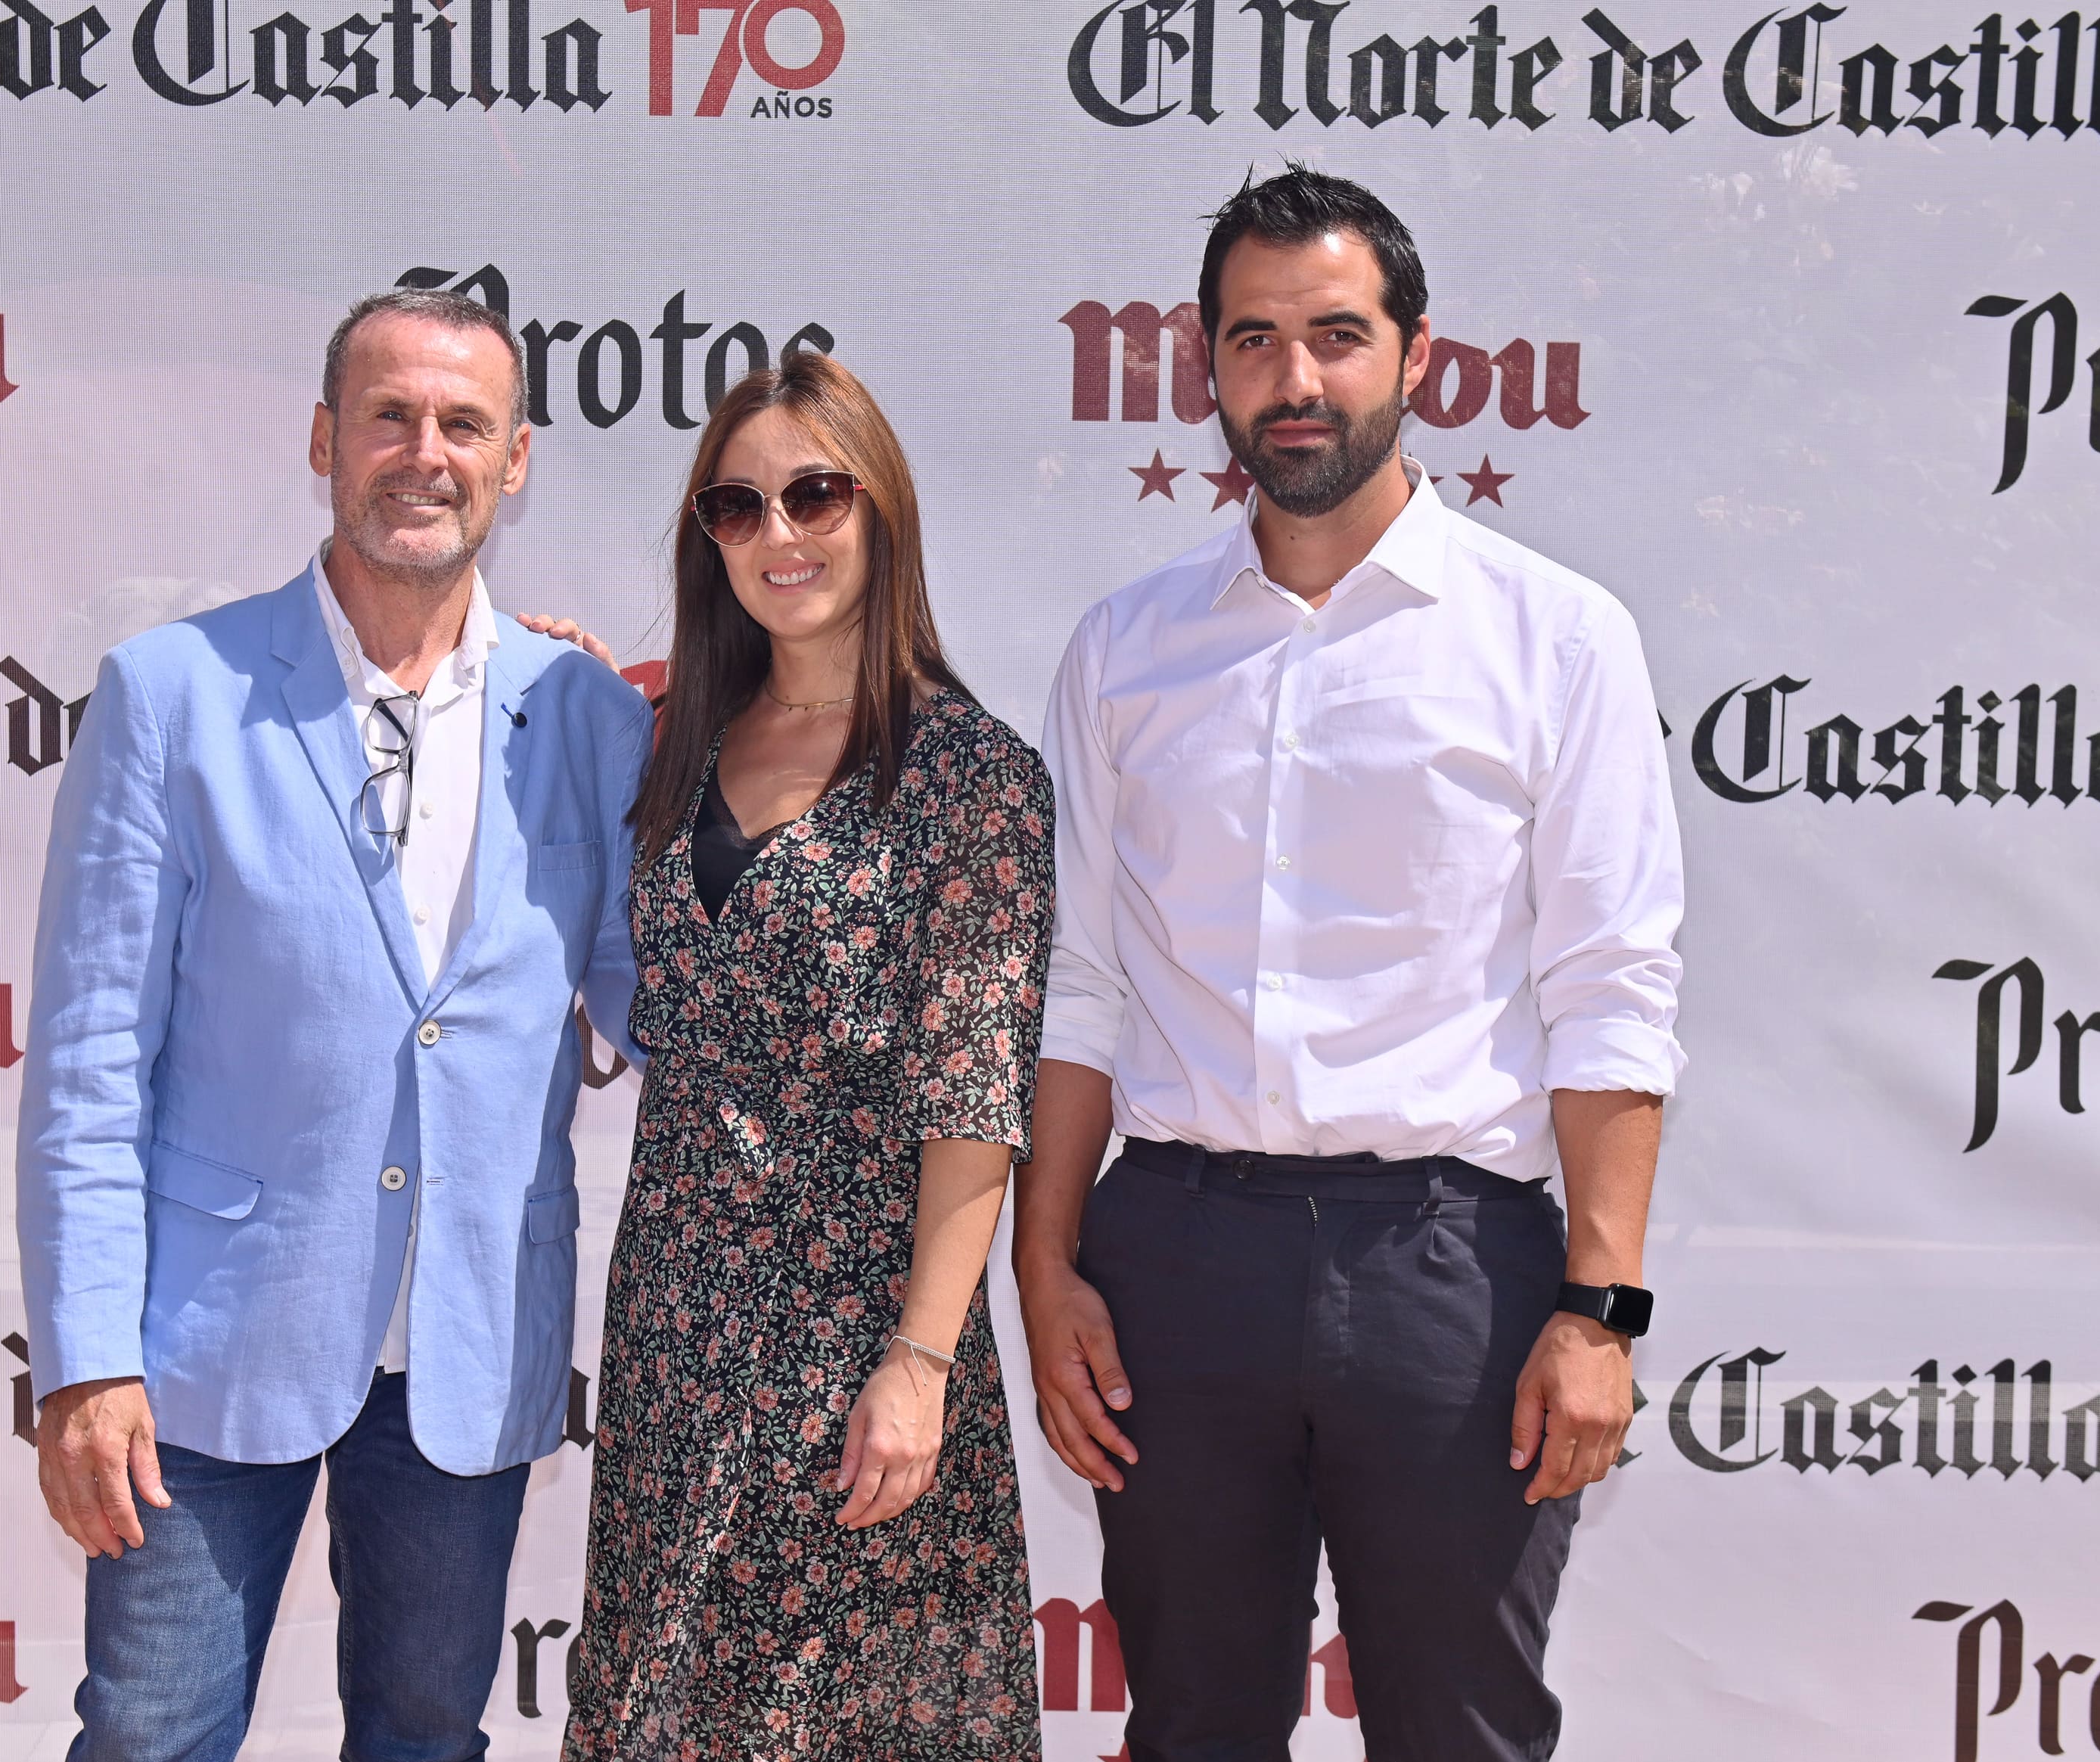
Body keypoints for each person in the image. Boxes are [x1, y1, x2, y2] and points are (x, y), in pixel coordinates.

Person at [1016, 167, 1685, 1760]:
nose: (1294, 380)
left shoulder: (1556, 637)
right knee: (1191, 1728)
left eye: (1334, 335)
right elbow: (1079, 983)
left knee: (1461, 1732)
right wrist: (1044, 1276)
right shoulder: (1125, 647)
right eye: (1253, 342)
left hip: (1452, 1279)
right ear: (1207, 371)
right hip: (1171, 1266)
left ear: (1417, 355)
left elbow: (1610, 985)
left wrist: (1602, 1306)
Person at [14, 287, 653, 1762]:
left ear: (515, 462)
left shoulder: (585, 716)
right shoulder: (172, 693)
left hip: (469, 1336)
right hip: (201, 1342)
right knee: (152, 1735)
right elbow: (89, 1061)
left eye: (462, 425)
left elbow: (664, 1003)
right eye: (389, 416)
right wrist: (86, 1356)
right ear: (324, 439)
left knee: (426, 1735)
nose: (422, 453)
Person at [558, 350, 1052, 1760]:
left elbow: (976, 1097)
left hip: (858, 1341)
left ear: (879, 509)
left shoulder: (971, 774)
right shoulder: (674, 751)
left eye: (815, 494)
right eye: (737, 506)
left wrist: (920, 1363)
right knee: (663, 1714)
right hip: (675, 1331)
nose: (779, 535)